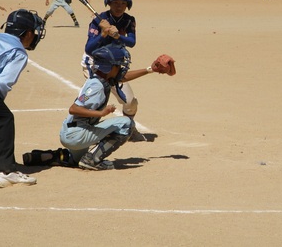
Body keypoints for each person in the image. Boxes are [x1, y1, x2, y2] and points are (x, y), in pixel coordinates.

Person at [22, 46, 174, 170]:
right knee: (126, 124)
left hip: (72, 132)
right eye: (118, 65)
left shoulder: (100, 78)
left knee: (74, 160)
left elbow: (123, 77)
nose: (121, 67)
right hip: (77, 134)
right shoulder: (97, 86)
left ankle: (44, 156)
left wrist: (150, 69)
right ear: (109, 67)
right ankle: (92, 159)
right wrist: (101, 112)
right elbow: (73, 109)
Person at [0, 9, 46, 188]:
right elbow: (2, 85)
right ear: (27, 34)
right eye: (33, 32)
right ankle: (7, 172)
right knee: (3, 118)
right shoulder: (18, 51)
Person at [81, 0, 144, 141]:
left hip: (115, 65)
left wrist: (117, 36)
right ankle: (85, 131)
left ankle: (128, 127)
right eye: (115, 2)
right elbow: (89, 48)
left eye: (123, 3)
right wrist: (103, 33)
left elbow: (131, 42)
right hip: (95, 65)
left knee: (130, 102)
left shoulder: (129, 20)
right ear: (108, 2)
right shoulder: (98, 21)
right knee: (98, 100)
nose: (119, 6)